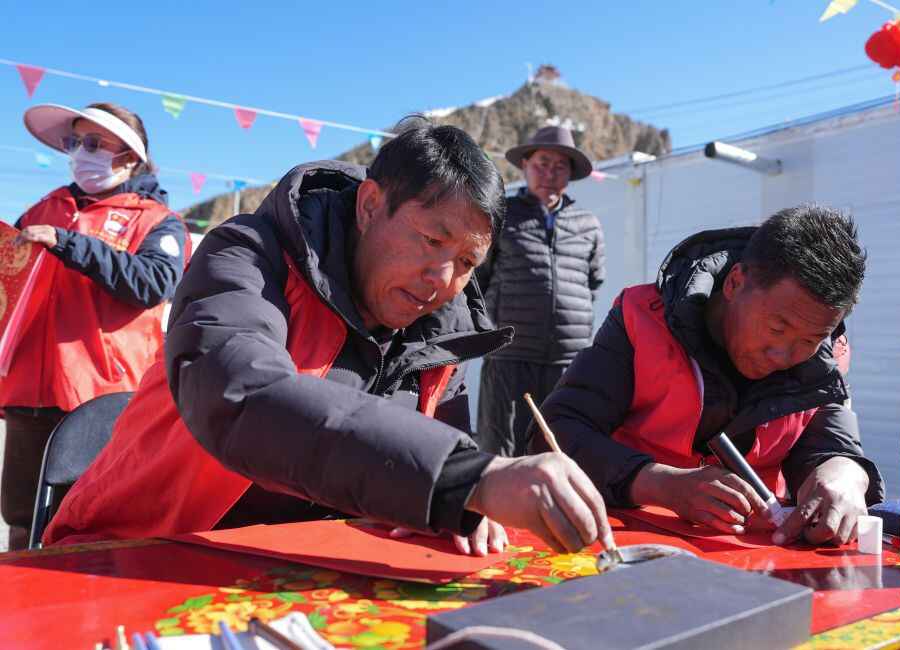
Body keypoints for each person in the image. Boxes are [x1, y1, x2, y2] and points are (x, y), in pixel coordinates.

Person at [44, 120, 615, 558]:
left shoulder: (444, 332)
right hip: (136, 555)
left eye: (467, 261)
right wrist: (471, 479)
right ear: (370, 206)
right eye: (430, 239)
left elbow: (432, 452)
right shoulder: (249, 254)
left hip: (298, 575)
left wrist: (467, 506)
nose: (443, 279)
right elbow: (241, 394)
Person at [532, 205, 885, 547]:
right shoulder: (642, 319)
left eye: (809, 340)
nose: (783, 356)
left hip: (755, 554)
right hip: (630, 541)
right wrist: (659, 484)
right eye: (777, 328)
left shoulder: (822, 362)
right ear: (734, 283)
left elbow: (833, 446)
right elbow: (555, 431)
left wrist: (847, 474)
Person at [0, 102, 190, 550]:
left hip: (100, 399)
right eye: (73, 142)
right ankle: (20, 614)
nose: (79, 153)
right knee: (23, 519)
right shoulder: (42, 208)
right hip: (29, 392)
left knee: (88, 521)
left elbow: (154, 283)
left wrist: (69, 244)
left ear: (129, 155)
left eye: (93, 143)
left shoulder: (158, 221)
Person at [476, 126, 605, 456]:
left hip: (569, 359)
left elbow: (592, 283)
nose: (550, 172)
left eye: (560, 165)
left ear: (571, 173)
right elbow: (479, 278)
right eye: (542, 162)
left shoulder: (588, 224)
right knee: (500, 450)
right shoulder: (501, 216)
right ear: (525, 166)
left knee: (559, 447)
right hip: (509, 355)